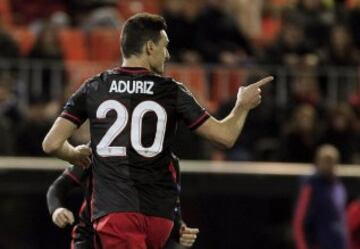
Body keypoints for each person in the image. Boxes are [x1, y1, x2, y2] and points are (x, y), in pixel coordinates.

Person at [42, 13, 272, 249]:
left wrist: (73, 154)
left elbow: (51, 144)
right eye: (165, 47)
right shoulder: (173, 91)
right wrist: (242, 106)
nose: (168, 54)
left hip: (118, 214)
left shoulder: (95, 87)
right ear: (150, 47)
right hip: (159, 219)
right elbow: (225, 137)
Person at [46, 154, 199, 249]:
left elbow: (173, 210)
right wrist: (57, 209)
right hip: (90, 240)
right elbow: (58, 187)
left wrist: (179, 229)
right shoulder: (99, 148)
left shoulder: (170, 163)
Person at [292, 144, 348, 249]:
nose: (328, 165)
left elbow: (342, 220)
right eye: (325, 161)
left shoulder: (339, 187)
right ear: (317, 162)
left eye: (331, 161)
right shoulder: (310, 186)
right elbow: (299, 222)